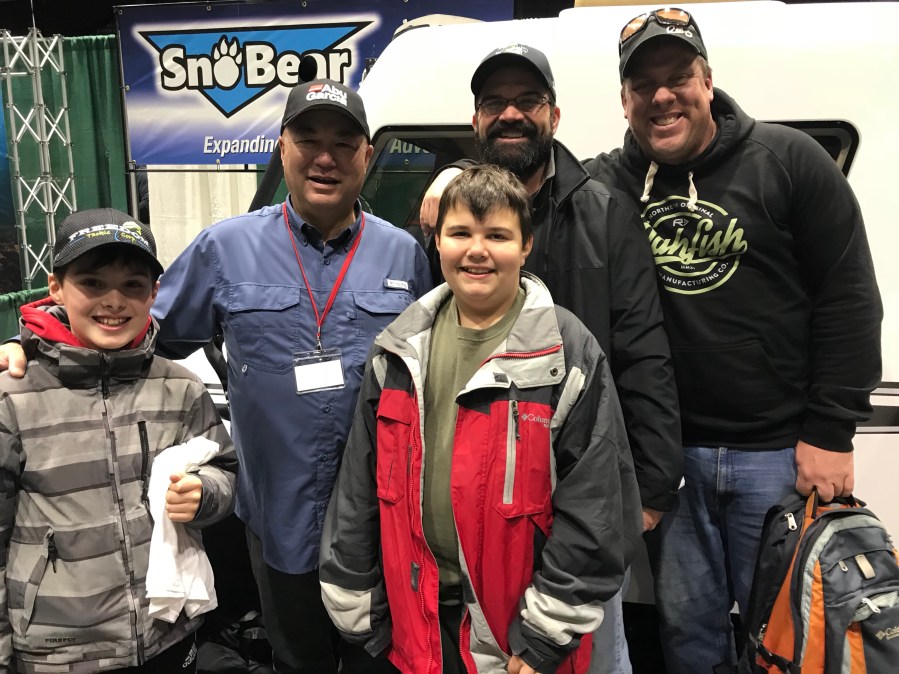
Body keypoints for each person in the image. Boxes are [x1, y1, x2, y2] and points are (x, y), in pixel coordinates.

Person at [0, 79, 431, 674]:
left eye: (342, 143)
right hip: (279, 519)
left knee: (385, 659)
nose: (325, 157)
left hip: (382, 521)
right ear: (282, 148)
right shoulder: (225, 248)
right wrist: (33, 341)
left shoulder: (404, 254)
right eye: (308, 139)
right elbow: (128, 323)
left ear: (366, 155)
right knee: (297, 660)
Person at [580, 9, 883, 673]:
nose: (662, 96)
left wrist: (831, 430)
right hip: (669, 464)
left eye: (678, 77)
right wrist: (453, 181)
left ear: (707, 82)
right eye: (643, 85)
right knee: (688, 637)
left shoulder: (788, 161)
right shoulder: (605, 184)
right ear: (624, 101)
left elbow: (850, 300)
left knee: (791, 639)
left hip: (778, 456)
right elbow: (526, 191)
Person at [417, 44, 682, 674]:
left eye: (527, 100)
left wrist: (648, 486)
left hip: (583, 487)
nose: (511, 114)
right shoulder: (442, 221)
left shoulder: (606, 212)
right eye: (495, 103)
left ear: (554, 115)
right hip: (479, 497)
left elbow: (643, 350)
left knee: (589, 649)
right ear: (476, 121)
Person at [320, 164, 643, 674]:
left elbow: (596, 505)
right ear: (438, 242)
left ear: (526, 245)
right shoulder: (399, 349)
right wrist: (354, 596)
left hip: (517, 636)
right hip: (417, 623)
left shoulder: (565, 351)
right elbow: (358, 486)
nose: (477, 250)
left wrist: (544, 634)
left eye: (497, 235)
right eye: (460, 233)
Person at [0, 208, 237, 672]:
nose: (113, 301)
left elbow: (225, 471)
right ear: (55, 288)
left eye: (132, 285)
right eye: (92, 283)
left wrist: (205, 493)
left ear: (154, 293)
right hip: (56, 653)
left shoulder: (181, 387)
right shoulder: (14, 396)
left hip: (168, 634)